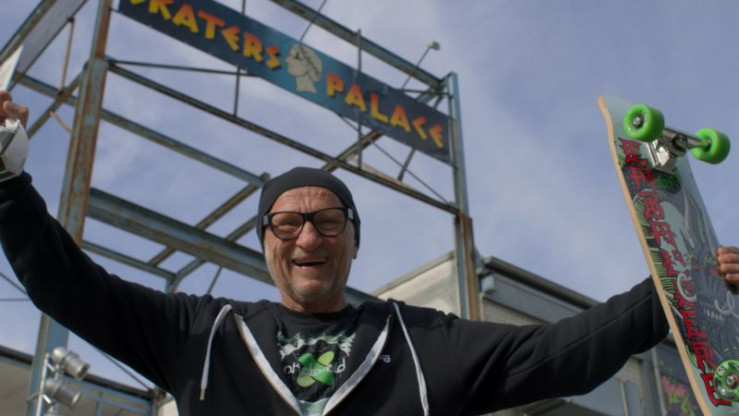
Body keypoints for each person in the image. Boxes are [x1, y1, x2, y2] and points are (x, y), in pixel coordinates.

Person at [1, 91, 738, 416]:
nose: (308, 239)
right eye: (287, 225)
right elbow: (70, 289)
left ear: (354, 240)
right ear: (265, 241)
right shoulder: (203, 334)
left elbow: (557, 356)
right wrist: (8, 186)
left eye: (328, 222)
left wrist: (673, 294)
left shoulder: (418, 343)